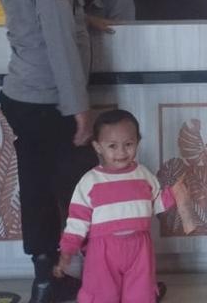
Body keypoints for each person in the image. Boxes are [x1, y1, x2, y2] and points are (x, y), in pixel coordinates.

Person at [0, 0, 97, 303]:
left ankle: (45, 278)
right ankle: (94, 278)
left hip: (20, 97)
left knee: (36, 187)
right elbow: (60, 44)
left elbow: (41, 27)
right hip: (49, 101)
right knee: (82, 188)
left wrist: (85, 19)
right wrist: (79, 108)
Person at [56, 110, 193, 303]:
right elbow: (77, 222)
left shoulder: (143, 175)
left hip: (140, 249)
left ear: (137, 142)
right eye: (112, 146)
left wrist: (175, 194)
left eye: (128, 144)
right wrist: (67, 251)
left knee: (141, 293)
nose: (121, 152)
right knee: (102, 294)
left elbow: (155, 204)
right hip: (102, 252)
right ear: (97, 146)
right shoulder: (89, 181)